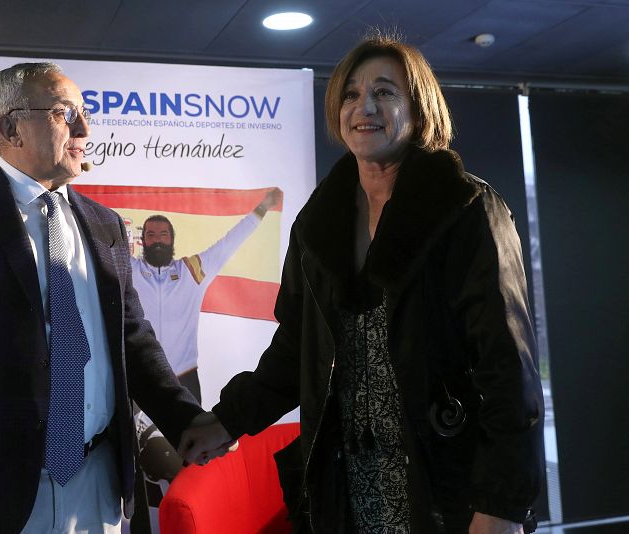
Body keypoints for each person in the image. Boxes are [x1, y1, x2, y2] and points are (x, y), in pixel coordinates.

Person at [180, 33, 544, 534]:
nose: (363, 107)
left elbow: (508, 370)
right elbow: (295, 351)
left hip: (446, 490)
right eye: (350, 94)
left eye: (384, 92)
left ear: (419, 108)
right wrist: (227, 421)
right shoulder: (316, 225)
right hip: (346, 488)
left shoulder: (467, 211)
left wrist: (501, 505)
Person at [0, 62, 212, 534]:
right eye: (65, 114)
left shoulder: (106, 224)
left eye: (85, 114)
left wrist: (185, 419)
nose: (85, 130)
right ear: (9, 128)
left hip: (99, 484)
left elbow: (132, 339)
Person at [129, 189, 281, 484]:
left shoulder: (192, 271)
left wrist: (262, 209)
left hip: (182, 381)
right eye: (150, 235)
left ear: (172, 240)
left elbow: (229, 243)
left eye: (163, 234)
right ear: (142, 240)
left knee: (187, 468)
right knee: (138, 467)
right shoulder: (130, 270)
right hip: (139, 380)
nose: (157, 240)